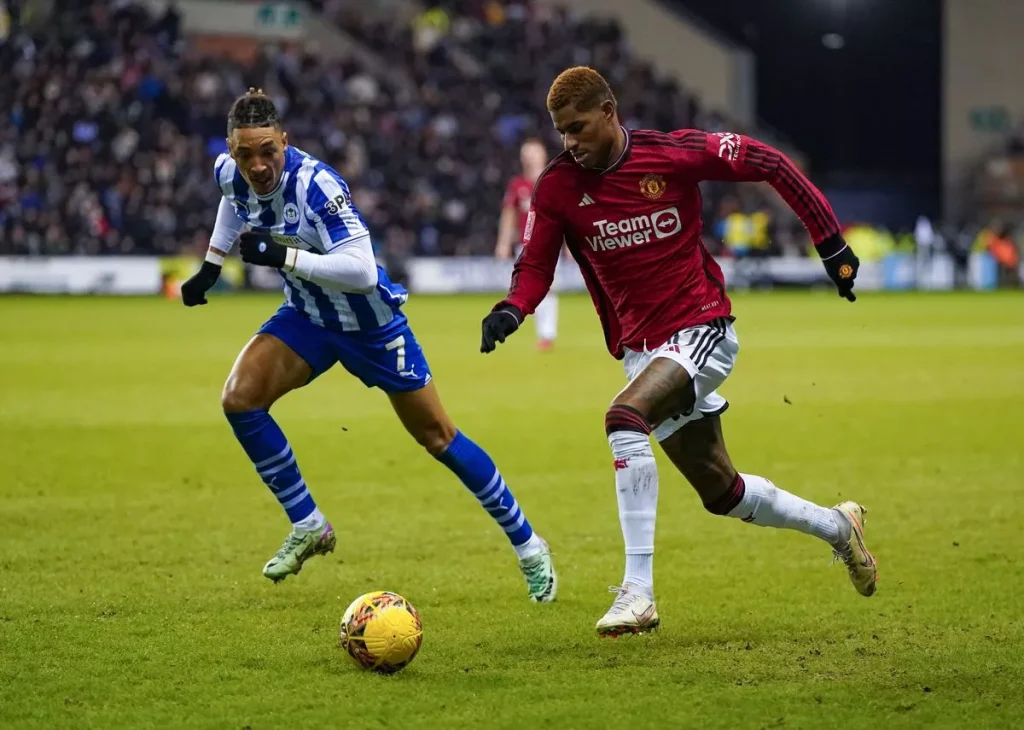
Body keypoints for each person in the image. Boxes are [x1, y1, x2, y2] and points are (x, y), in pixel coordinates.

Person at [480, 67, 876, 636]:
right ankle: (839, 529)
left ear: (610, 111)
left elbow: (769, 161)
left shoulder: (672, 155)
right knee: (723, 491)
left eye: (579, 127)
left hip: (702, 327)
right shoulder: (558, 186)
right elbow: (537, 264)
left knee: (624, 418)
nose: (570, 142)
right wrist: (513, 308)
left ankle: (638, 593)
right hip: (643, 353)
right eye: (562, 132)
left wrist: (830, 241)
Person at [180, 89, 556, 601]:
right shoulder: (230, 172)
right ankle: (309, 523)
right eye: (246, 153)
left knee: (438, 437)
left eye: (267, 150)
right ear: (232, 148)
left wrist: (283, 259)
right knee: (239, 399)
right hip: (308, 317)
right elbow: (233, 201)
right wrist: (211, 264)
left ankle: (530, 546)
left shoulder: (317, 185)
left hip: (371, 326)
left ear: (285, 142)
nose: (258, 164)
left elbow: (360, 271)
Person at [495, 138, 559, 350]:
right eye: (526, 154)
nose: (529, 157)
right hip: (524, 246)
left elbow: (564, 214)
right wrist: (503, 242)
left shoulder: (553, 180)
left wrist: (568, 245)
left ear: (543, 155)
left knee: (547, 289)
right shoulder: (517, 185)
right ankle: (539, 332)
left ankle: (547, 334)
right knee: (524, 289)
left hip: (550, 244)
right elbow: (508, 214)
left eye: (533, 153)